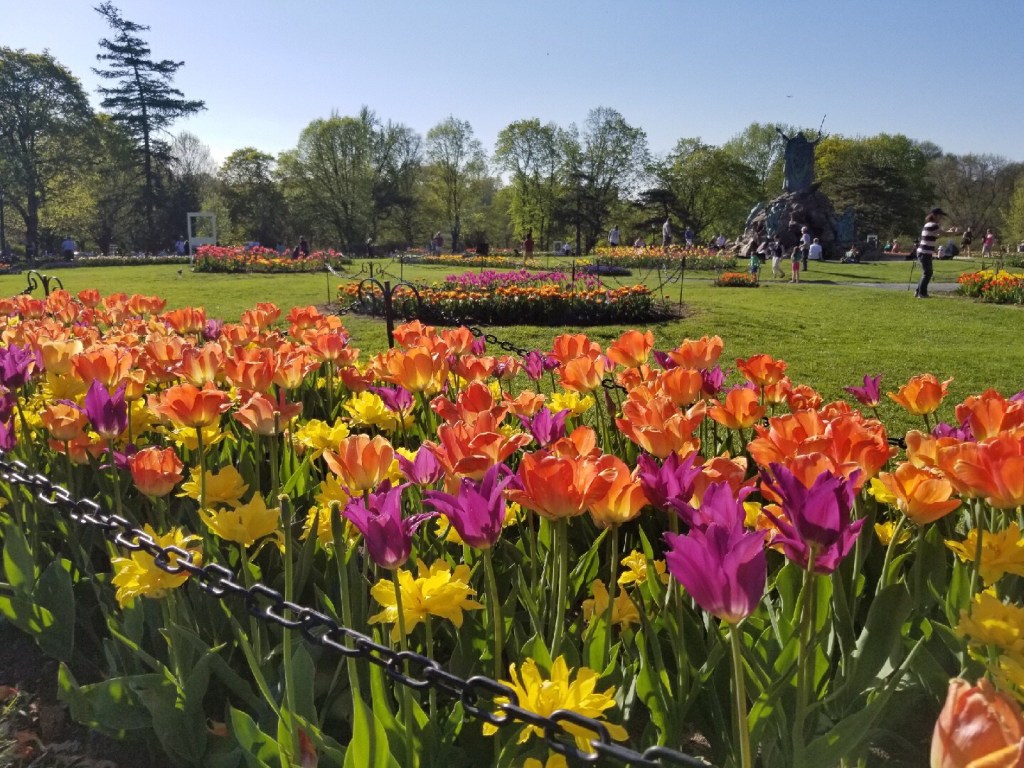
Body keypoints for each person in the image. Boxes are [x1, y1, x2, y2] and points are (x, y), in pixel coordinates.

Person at [915, 207, 946, 299]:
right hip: (925, 252)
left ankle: (918, 291)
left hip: (923, 252)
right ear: (935, 215)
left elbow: (936, 235)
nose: (941, 218)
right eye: (940, 216)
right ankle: (922, 294)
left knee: (926, 273)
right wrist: (954, 233)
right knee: (928, 273)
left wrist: (948, 232)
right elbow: (943, 233)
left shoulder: (928, 224)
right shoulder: (933, 225)